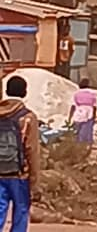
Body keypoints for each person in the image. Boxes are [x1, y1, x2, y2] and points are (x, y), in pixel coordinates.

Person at [0, 76, 39, 232]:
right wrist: (34, 180)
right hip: (20, 174)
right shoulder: (27, 117)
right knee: (21, 210)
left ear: (6, 91)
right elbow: (32, 150)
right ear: (25, 92)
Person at [67, 78, 97, 144]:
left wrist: (70, 117)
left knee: (78, 129)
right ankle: (87, 143)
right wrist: (94, 116)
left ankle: (79, 143)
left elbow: (73, 106)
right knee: (88, 129)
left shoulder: (76, 94)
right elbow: (95, 107)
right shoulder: (92, 94)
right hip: (89, 112)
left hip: (79, 112)